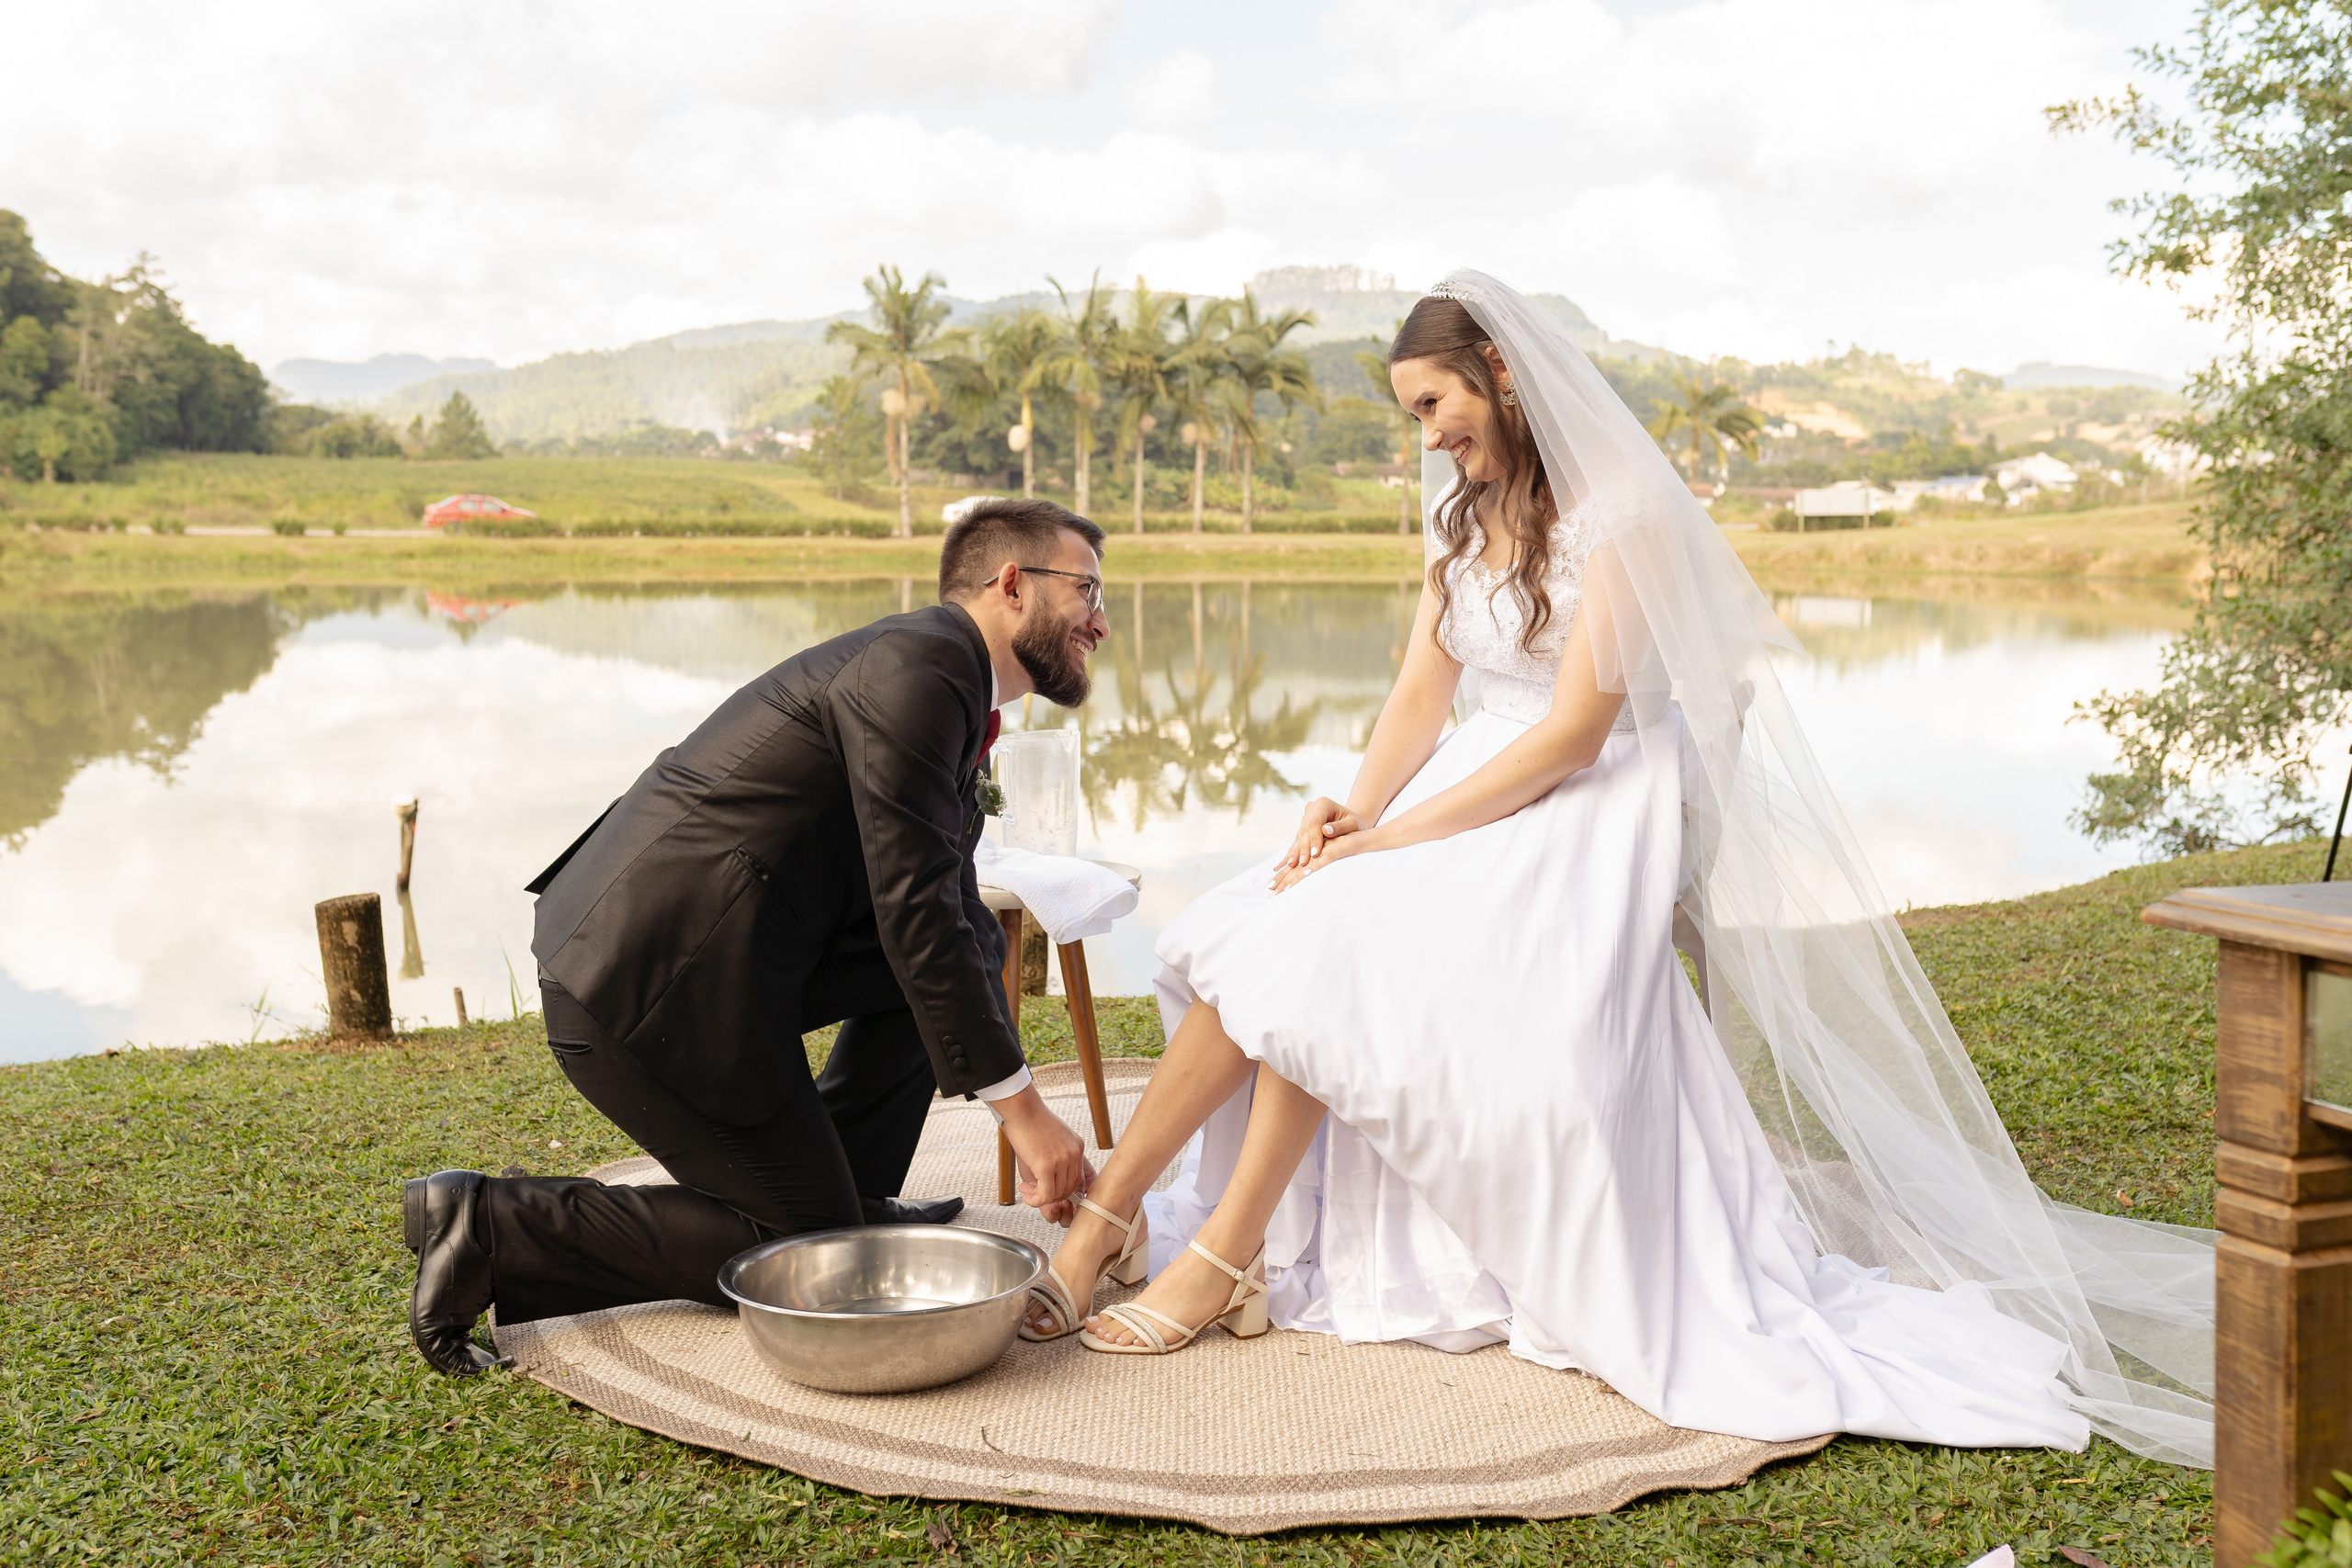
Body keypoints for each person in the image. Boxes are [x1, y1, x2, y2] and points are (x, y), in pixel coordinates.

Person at [1019, 274, 2217, 1468]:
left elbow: (1573, 734)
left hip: (1592, 796)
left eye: (1435, 402)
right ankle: (1112, 1226)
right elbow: (1421, 693)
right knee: (1276, 910)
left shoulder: (1625, 506)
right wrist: (1353, 810)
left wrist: (1394, 843)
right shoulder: (1461, 504)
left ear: (1495, 364)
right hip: (1474, 778)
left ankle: (1223, 1255)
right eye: (1413, 415)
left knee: (1341, 931)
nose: (1429, 435)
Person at [402, 497, 1112, 1376]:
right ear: (1013, 583)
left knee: (975, 935)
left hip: (732, 967)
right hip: (642, 983)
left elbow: (946, 909)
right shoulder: (920, 668)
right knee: (816, 1255)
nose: (1102, 620)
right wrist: (1026, 1115)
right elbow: (912, 907)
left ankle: (854, 1188)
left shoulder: (943, 675)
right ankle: (489, 1226)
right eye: (1087, 589)